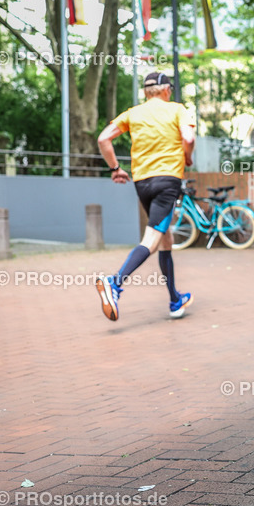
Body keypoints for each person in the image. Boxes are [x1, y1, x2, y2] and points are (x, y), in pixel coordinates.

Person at [94, 72, 195, 321]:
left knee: (165, 238)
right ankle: (114, 284)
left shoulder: (133, 113)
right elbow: (189, 137)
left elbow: (103, 138)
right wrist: (187, 156)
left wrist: (115, 168)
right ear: (166, 90)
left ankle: (174, 300)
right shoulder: (177, 110)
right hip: (167, 180)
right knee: (151, 240)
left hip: (142, 183)